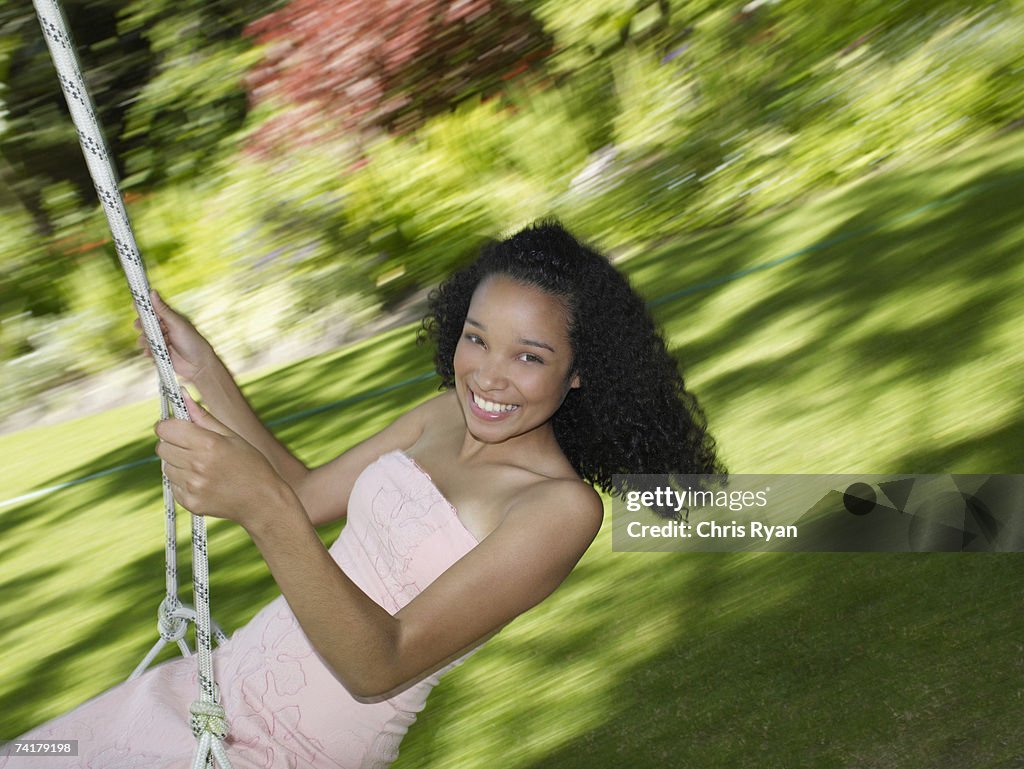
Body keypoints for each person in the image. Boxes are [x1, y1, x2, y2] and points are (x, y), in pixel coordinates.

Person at [2, 222, 722, 769]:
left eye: (529, 355)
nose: (489, 375)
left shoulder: (559, 509)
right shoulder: (443, 414)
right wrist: (210, 373)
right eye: (477, 339)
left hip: (288, 750)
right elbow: (306, 494)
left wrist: (260, 508)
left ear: (579, 372)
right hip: (213, 686)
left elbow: (381, 661)